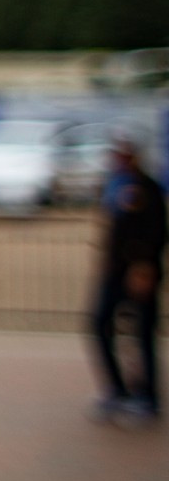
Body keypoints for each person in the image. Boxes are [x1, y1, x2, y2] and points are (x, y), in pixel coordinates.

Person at [88, 134, 166, 426]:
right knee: (100, 325)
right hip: (115, 271)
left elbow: (155, 230)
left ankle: (147, 400)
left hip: (137, 272)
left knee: (143, 335)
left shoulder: (145, 187)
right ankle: (118, 390)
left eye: (123, 153)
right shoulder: (115, 184)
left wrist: (144, 267)